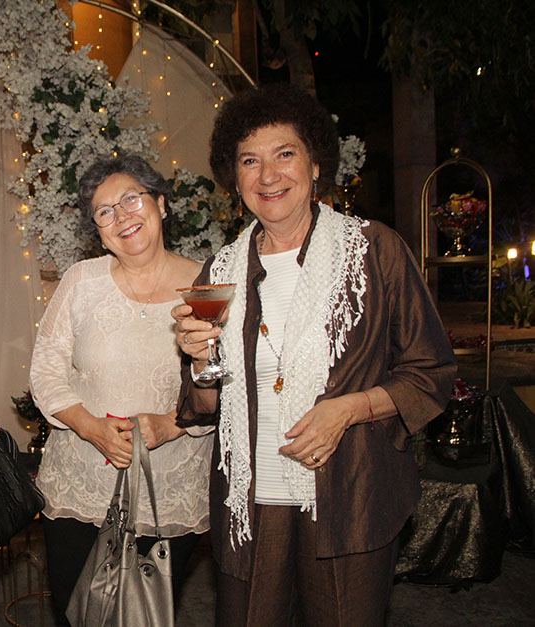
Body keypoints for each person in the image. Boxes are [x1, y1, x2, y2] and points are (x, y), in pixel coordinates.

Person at [172, 83, 457, 626]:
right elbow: (206, 407)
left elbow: (430, 373)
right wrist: (198, 360)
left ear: (316, 164)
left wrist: (346, 409)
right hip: (250, 508)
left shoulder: (375, 251)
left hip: (349, 496)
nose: (268, 175)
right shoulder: (219, 272)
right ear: (235, 180)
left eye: (285, 154)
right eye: (249, 161)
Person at [30, 154, 214, 626]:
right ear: (98, 229)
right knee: (77, 613)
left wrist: (173, 426)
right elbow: (45, 371)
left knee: (144, 616)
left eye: (131, 199)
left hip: (167, 488)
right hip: (81, 485)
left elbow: (226, 382)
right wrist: (90, 427)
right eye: (105, 211)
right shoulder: (81, 282)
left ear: (161, 204)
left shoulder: (206, 284)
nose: (121, 216)